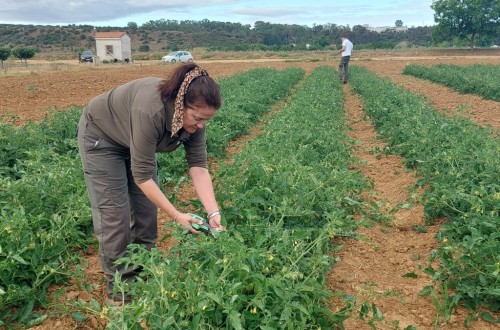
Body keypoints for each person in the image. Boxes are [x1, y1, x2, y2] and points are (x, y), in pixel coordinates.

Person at [77, 63, 224, 303]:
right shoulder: (151, 111)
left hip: (133, 139)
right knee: (115, 216)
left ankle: (143, 273)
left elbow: (198, 166)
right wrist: (177, 215)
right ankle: (120, 292)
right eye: (197, 118)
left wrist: (213, 213)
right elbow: (143, 176)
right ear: (180, 103)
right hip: (103, 140)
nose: (201, 126)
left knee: (147, 212)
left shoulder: (197, 121)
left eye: (206, 120)